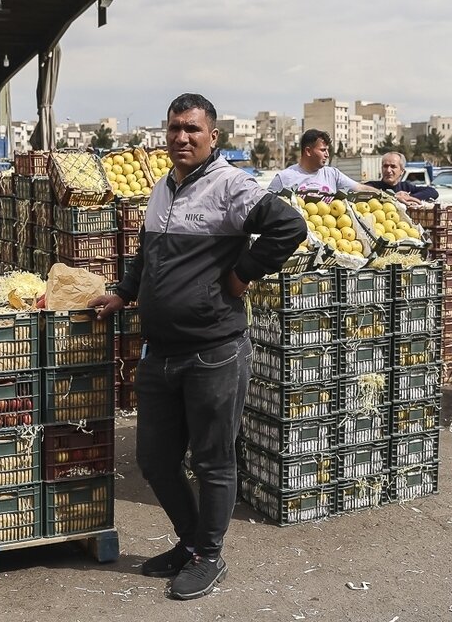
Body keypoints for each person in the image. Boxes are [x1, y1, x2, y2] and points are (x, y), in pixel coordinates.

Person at [89, 93, 306, 601]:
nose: (181, 138)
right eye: (173, 129)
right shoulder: (162, 189)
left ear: (213, 136)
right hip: (160, 350)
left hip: (214, 351)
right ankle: (190, 543)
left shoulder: (231, 186)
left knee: (212, 461)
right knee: (155, 459)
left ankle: (208, 553)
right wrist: (123, 291)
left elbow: (289, 227)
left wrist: (240, 275)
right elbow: (148, 255)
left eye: (191, 129)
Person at [267, 129, 372, 194]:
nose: (327, 154)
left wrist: (384, 194)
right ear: (308, 151)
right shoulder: (284, 178)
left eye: (327, 150)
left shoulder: (332, 175)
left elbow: (359, 188)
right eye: (323, 150)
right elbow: (265, 205)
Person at [368, 151, 438, 206]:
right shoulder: (372, 186)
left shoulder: (406, 187)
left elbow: (433, 192)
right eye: (385, 166)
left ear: (402, 171)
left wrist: (408, 197)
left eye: (393, 166)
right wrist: (394, 197)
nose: (388, 170)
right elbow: (360, 191)